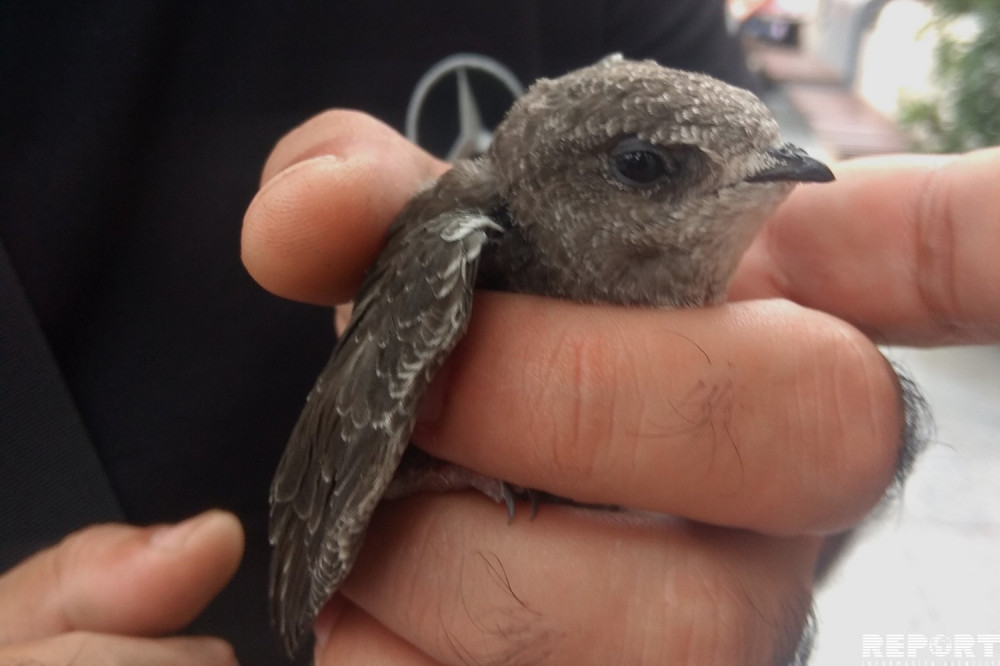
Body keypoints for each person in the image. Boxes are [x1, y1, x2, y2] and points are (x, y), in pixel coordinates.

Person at [2, 2, 997, 664]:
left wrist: (793, 487)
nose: (766, 177)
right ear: (562, 186)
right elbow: (314, 528)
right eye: (655, 168)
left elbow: (778, 504)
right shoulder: (464, 242)